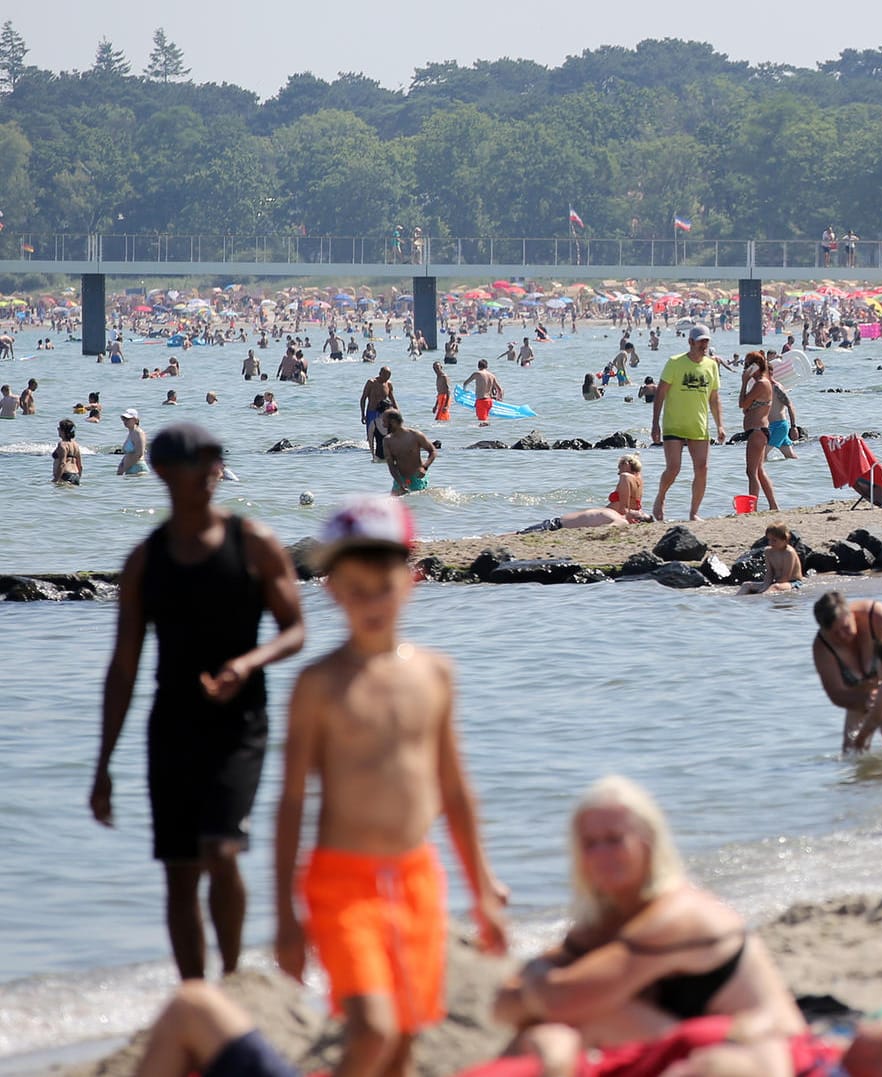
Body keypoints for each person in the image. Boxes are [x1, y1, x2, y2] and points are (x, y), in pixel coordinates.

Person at [276, 498, 508, 1077]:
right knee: (373, 1030)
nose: (370, 601)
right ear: (332, 591)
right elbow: (291, 802)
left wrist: (482, 887)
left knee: (405, 1041)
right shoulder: (319, 684)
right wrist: (284, 912)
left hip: (415, 878)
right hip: (340, 882)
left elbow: (454, 790)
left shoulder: (433, 674)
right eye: (354, 588)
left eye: (382, 585)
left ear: (410, 582)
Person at [95, 423, 307, 981]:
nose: (213, 471)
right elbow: (122, 668)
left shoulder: (253, 542)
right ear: (163, 471)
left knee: (221, 848)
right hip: (172, 725)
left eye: (217, 460)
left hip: (240, 722)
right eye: (200, 462)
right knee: (180, 869)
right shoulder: (145, 562)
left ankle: (233, 980)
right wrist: (102, 766)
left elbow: (294, 630)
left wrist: (246, 663)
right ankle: (195, 994)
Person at [491, 776, 804, 1052]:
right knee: (549, 1031)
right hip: (703, 1055)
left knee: (594, 1018)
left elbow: (563, 1001)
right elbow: (502, 1007)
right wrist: (545, 989)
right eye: (589, 844)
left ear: (648, 842)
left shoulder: (677, 915)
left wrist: (535, 975)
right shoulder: (607, 921)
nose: (602, 855)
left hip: (774, 1057)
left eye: (615, 840)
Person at [812, 593, 882, 755]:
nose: (843, 636)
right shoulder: (823, 647)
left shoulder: (875, 615)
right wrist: (864, 699)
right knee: (850, 750)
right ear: (824, 631)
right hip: (863, 691)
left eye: (846, 628)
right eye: (835, 633)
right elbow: (836, 694)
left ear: (851, 615)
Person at [651, 326, 725, 521]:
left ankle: (694, 512)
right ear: (690, 342)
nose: (704, 345)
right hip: (673, 424)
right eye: (700, 341)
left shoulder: (711, 366)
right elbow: (660, 394)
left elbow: (714, 399)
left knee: (702, 468)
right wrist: (655, 424)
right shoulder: (675, 363)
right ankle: (660, 498)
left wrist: (720, 425)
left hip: (699, 426)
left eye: (706, 341)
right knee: (673, 468)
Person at [524, 455, 652, 531]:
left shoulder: (625, 476)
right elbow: (634, 504)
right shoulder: (639, 481)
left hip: (617, 516)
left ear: (626, 464)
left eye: (619, 467)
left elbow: (624, 508)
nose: (618, 472)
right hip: (623, 517)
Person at [738, 353, 778, 511]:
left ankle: (752, 508)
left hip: (757, 431)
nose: (745, 369)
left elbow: (742, 404)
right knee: (759, 470)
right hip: (758, 430)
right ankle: (773, 505)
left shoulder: (761, 383)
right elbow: (746, 406)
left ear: (755, 366)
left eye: (748, 365)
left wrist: (744, 383)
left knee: (751, 471)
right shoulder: (762, 383)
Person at [380, 410, 437, 497]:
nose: (383, 424)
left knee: (418, 506)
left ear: (393, 422)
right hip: (400, 479)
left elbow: (433, 451)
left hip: (417, 478)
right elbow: (391, 465)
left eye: (384, 421)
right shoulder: (387, 441)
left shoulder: (415, 435)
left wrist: (424, 467)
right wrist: (400, 483)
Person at [739, 524, 800, 595]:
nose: (770, 543)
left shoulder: (789, 552)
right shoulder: (768, 551)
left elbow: (786, 577)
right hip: (775, 581)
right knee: (746, 585)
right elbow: (769, 573)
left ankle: (761, 599)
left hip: (792, 582)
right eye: (769, 540)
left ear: (785, 540)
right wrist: (765, 586)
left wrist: (767, 589)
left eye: (774, 540)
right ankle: (736, 602)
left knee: (775, 587)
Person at [358, 368, 396, 457]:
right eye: (385, 375)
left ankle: (385, 451)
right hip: (372, 411)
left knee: (386, 434)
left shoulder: (389, 384)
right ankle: (371, 452)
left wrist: (397, 412)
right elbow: (363, 398)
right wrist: (363, 414)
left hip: (384, 413)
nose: (387, 377)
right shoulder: (371, 382)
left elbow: (392, 399)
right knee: (371, 434)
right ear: (380, 373)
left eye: (389, 375)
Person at [463, 359, 504, 426]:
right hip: (489, 401)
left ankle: (484, 435)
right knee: (485, 419)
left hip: (481, 400)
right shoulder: (492, 375)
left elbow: (465, 383)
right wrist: (499, 398)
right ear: (486, 366)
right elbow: (500, 390)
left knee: (483, 422)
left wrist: (464, 391)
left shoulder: (477, 373)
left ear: (478, 366)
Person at [767, 380, 799, 461]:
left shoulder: (776, 387)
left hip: (779, 426)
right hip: (773, 426)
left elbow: (789, 405)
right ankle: (804, 470)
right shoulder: (763, 386)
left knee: (760, 456)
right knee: (790, 456)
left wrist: (793, 426)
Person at [52, 417, 84, 485]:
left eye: (59, 428)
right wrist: (78, 477)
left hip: (65, 475)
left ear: (63, 431)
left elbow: (62, 464)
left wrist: (56, 479)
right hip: (76, 476)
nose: (58, 429)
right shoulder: (76, 445)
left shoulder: (62, 444)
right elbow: (80, 466)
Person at [119, 409, 149, 476]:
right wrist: (121, 465)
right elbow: (128, 454)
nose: (125, 421)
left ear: (135, 420)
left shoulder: (139, 433)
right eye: (124, 419)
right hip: (129, 470)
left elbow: (139, 453)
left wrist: (124, 468)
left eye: (128, 419)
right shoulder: (130, 433)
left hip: (139, 469)